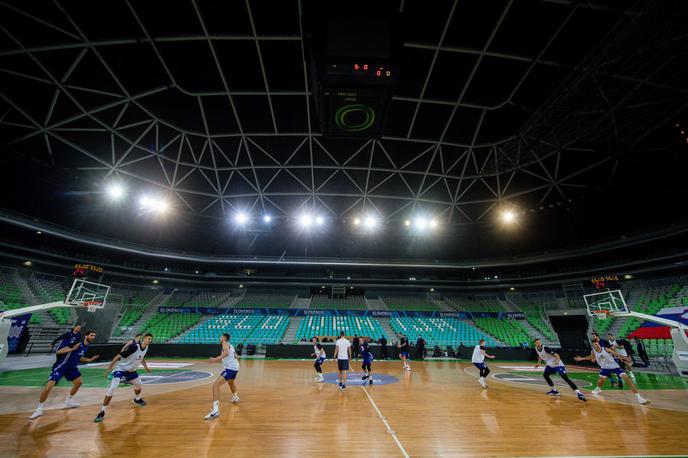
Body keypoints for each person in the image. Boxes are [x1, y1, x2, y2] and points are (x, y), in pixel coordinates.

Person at [29, 330, 99, 419]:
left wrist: (89, 360)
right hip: (62, 367)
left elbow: (79, 357)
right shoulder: (76, 343)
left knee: (79, 383)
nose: (93, 337)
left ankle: (69, 401)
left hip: (72, 368)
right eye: (91, 335)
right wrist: (71, 349)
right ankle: (39, 409)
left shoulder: (86, 347)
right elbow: (58, 351)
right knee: (48, 387)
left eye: (94, 336)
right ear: (86, 336)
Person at [94, 333, 153, 423]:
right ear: (144, 339)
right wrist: (110, 368)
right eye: (149, 339)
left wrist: (146, 367)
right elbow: (118, 356)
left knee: (139, 384)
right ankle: (102, 412)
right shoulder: (134, 347)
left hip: (131, 371)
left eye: (151, 339)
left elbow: (142, 357)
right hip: (121, 369)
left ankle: (137, 399)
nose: (150, 340)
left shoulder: (146, 348)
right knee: (112, 388)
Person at [574, 341, 648, 404]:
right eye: (596, 344)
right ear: (593, 346)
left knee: (627, 379)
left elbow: (616, 354)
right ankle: (598, 388)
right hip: (604, 368)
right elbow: (590, 357)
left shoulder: (606, 349)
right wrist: (582, 358)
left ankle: (639, 397)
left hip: (615, 367)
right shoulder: (594, 351)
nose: (598, 345)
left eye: (598, 344)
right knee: (600, 381)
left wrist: (624, 358)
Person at [205, 333, 240, 420]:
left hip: (230, 368)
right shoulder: (230, 345)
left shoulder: (224, 343)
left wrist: (214, 359)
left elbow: (226, 353)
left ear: (224, 338)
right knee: (231, 382)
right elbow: (236, 356)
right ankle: (235, 396)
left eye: (221, 337)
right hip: (235, 367)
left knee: (216, 385)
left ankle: (215, 410)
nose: (220, 338)